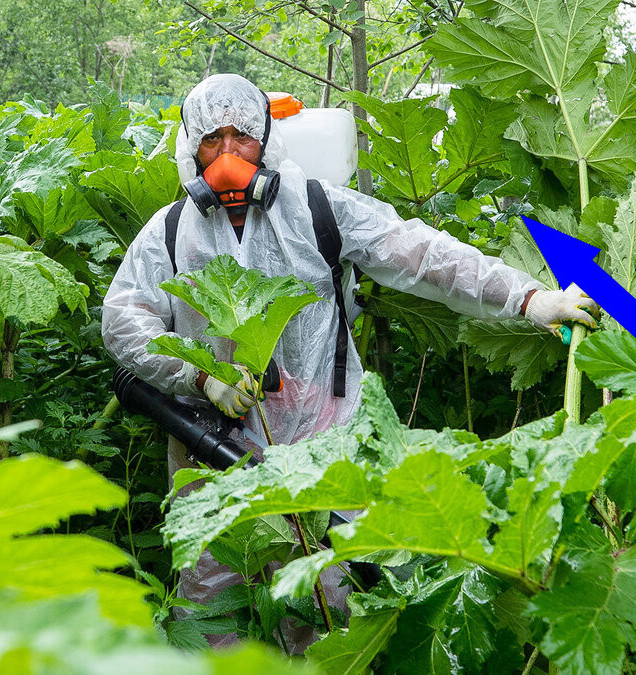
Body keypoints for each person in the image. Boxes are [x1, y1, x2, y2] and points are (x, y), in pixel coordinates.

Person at [100, 74, 599, 649]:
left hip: (322, 442)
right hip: (211, 447)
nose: (230, 156)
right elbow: (123, 319)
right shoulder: (168, 233)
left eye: (243, 138)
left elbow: (422, 254)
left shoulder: (317, 208)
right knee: (213, 601)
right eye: (213, 140)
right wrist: (199, 377)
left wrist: (531, 298)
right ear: (191, 148)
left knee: (324, 600)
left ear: (267, 140)